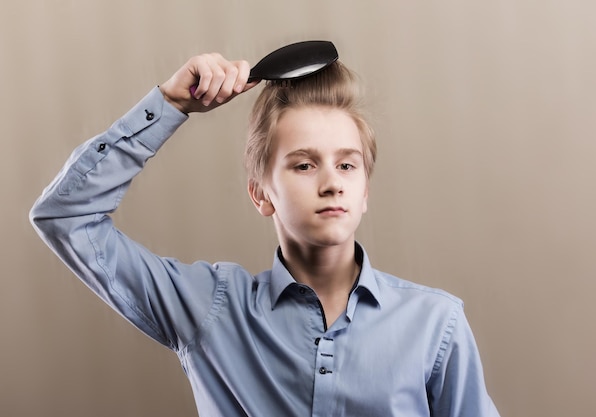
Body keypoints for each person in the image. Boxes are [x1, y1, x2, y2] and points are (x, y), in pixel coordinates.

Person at [30, 51, 500, 417]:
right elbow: (66, 216)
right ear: (261, 194)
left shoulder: (437, 324)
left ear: (364, 190)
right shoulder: (209, 309)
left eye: (346, 164)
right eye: (304, 164)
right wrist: (171, 105)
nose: (332, 181)